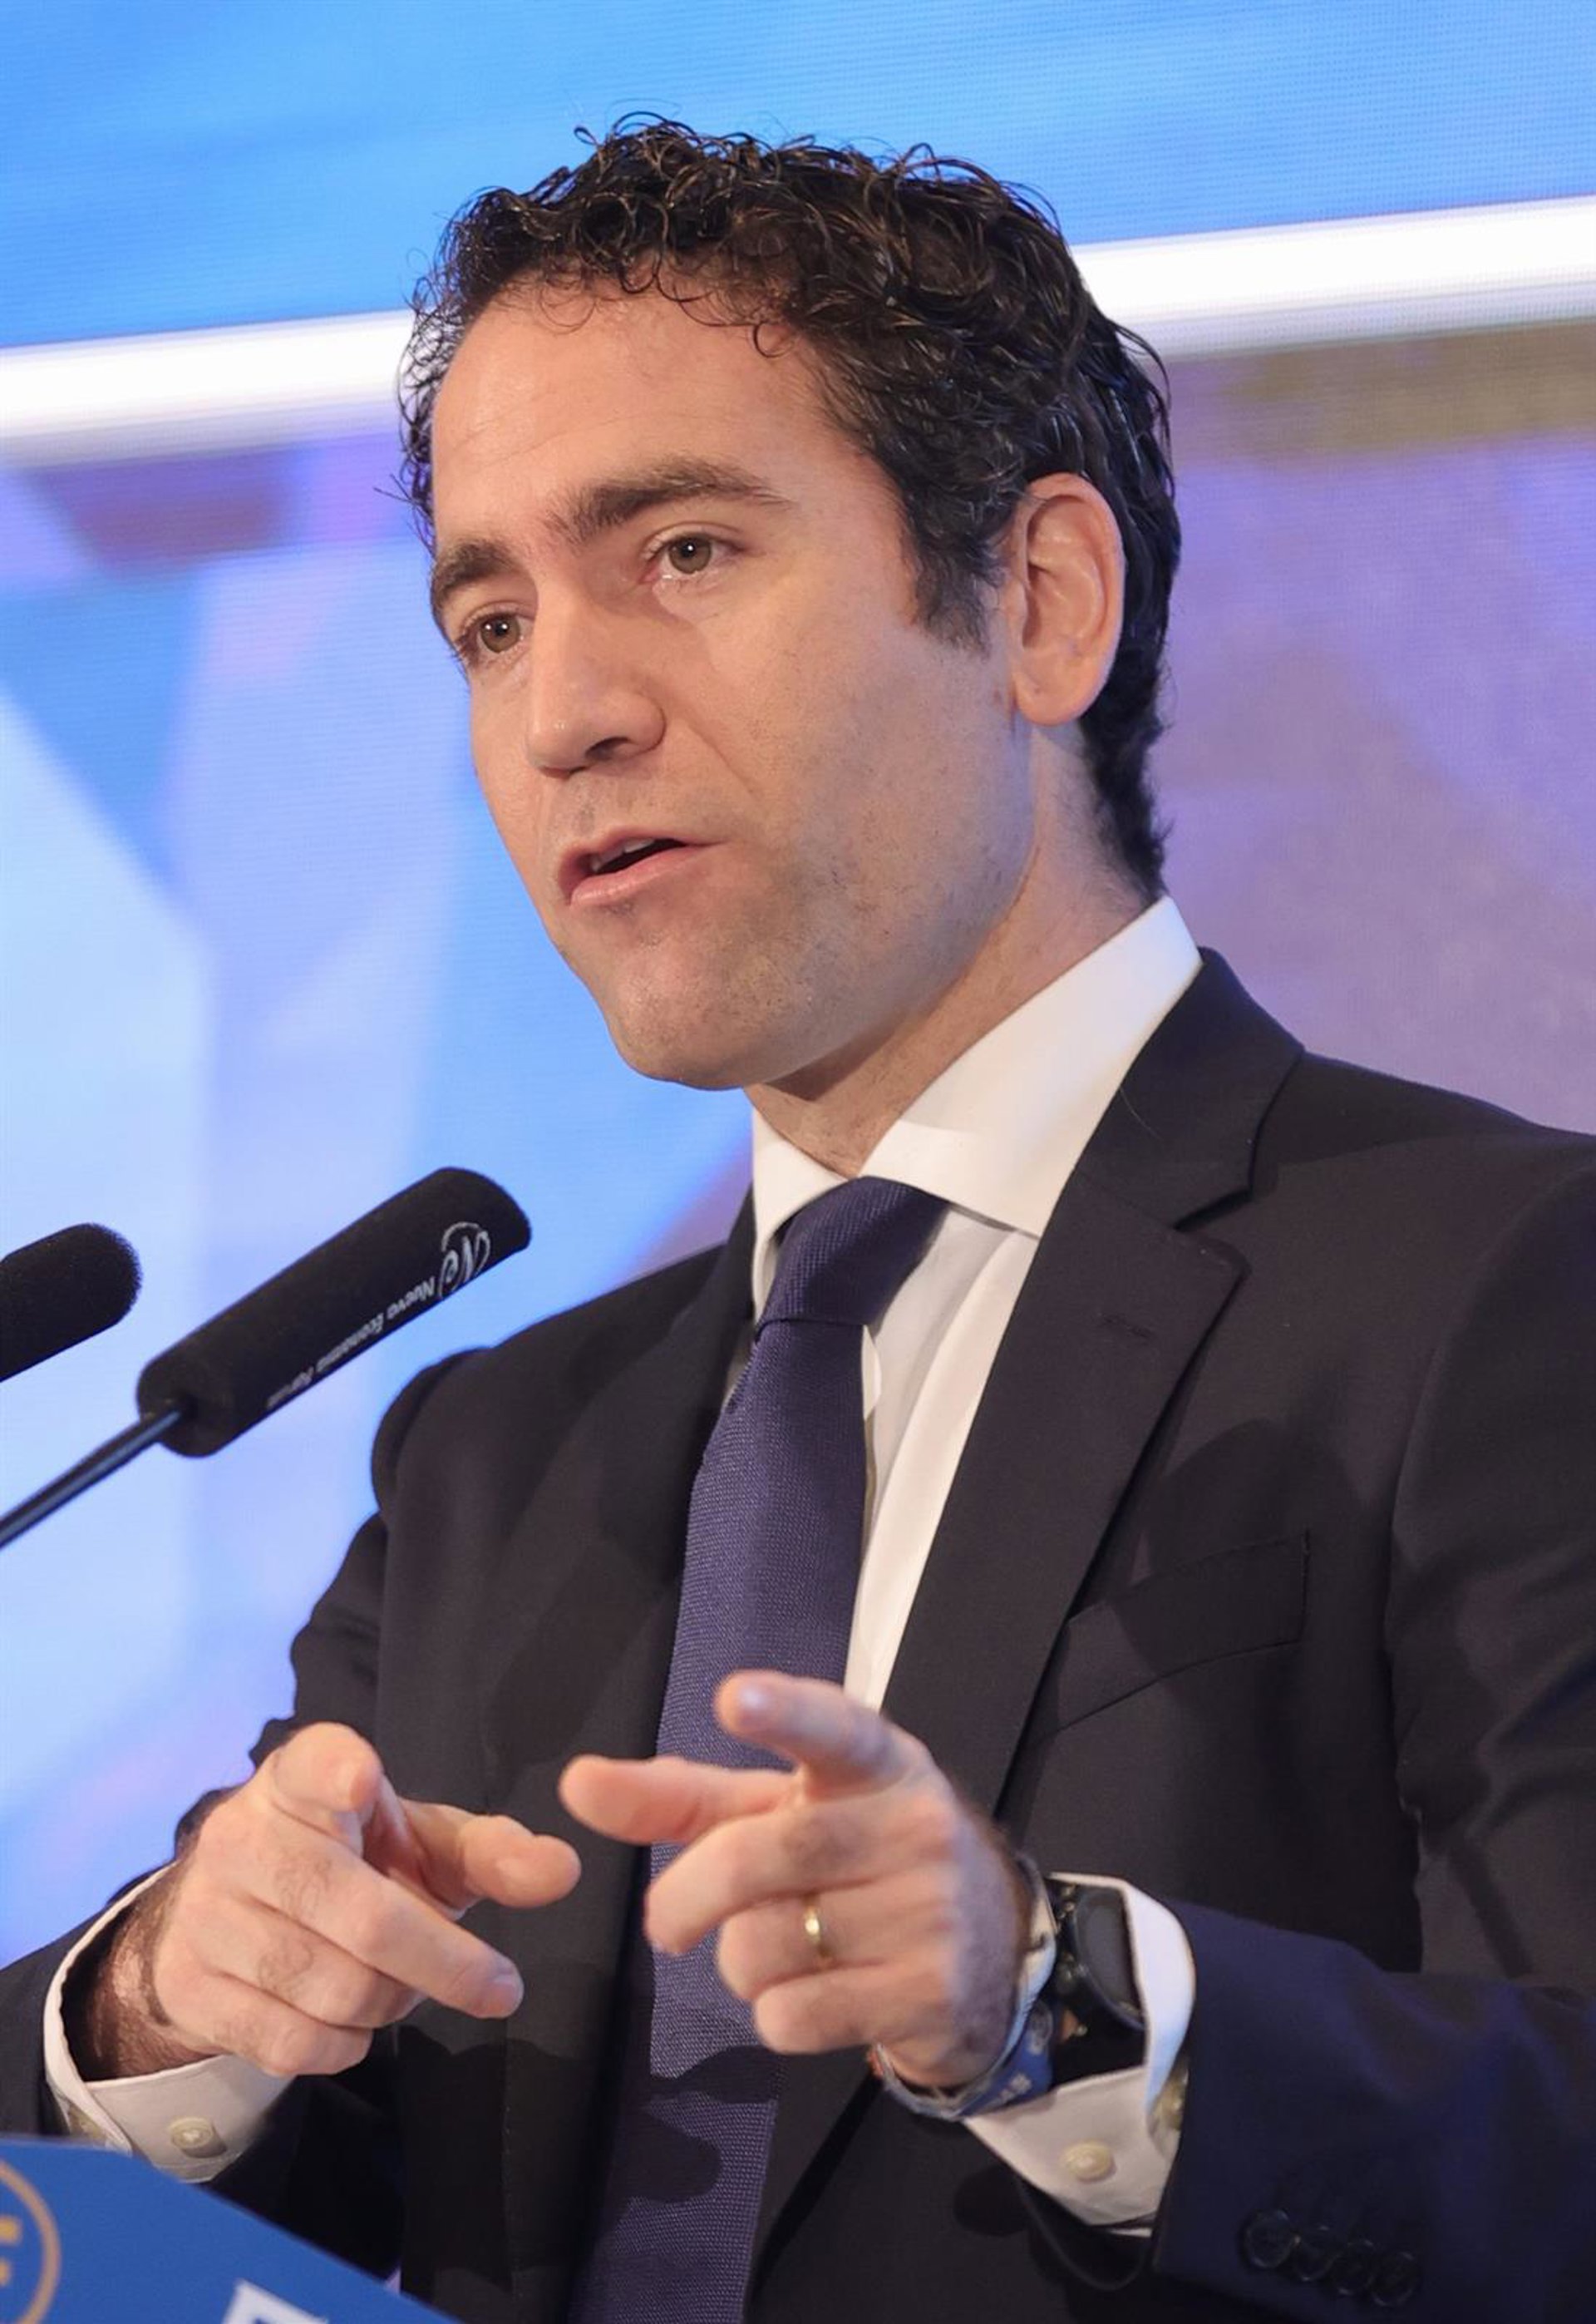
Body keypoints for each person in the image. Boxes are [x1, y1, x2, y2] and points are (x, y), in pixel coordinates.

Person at [2, 123, 1593, 2323]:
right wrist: (172, 2003)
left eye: (683, 549)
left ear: (1040, 600)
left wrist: (1046, 1996)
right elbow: (313, 2211)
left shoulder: (1503, 1288)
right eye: (490, 619)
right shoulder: (493, 1456)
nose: (565, 712)